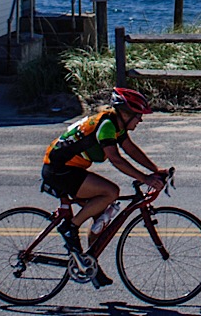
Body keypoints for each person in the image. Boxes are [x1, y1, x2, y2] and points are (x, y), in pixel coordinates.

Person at [42, 86, 166, 287]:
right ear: (126, 114)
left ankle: (91, 265)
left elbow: (130, 149)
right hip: (59, 170)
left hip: (69, 169)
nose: (140, 120)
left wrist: (155, 169)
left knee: (102, 217)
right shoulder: (107, 125)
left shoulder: (116, 124)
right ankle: (70, 227)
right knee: (110, 191)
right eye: (138, 116)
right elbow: (116, 159)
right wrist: (145, 179)